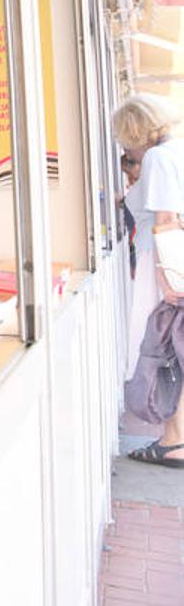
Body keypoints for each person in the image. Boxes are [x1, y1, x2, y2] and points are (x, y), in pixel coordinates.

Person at [112, 92, 184, 466]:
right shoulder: (178, 150)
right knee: (174, 348)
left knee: (161, 349)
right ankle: (175, 437)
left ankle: (174, 441)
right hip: (173, 256)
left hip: (164, 261)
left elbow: (165, 218)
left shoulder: (156, 158)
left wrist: (166, 277)